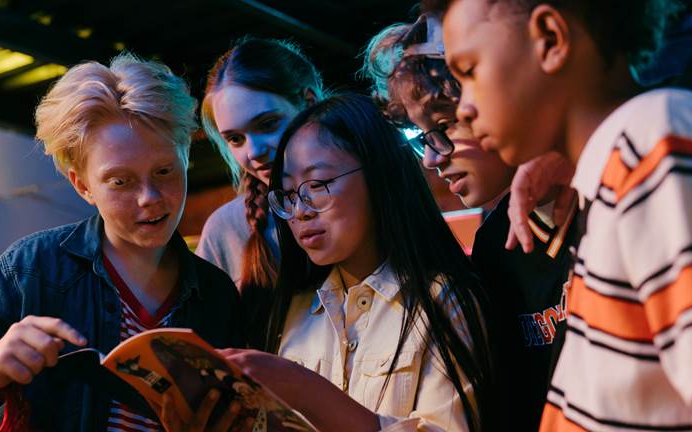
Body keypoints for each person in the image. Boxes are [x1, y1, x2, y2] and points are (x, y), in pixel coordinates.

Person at [0, 53, 243, 432]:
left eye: (164, 171)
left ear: (186, 156)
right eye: (121, 181)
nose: (149, 197)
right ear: (82, 185)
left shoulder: (217, 295)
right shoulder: (30, 269)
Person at [428, 0, 692, 429]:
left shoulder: (650, 142)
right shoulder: (614, 175)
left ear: (551, 39)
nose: (464, 109)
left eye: (470, 72)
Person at [223, 93, 493, 431]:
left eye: (318, 184)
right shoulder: (293, 310)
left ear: (379, 175)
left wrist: (306, 390)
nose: (301, 211)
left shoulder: (442, 300)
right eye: (289, 194)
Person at [363, 17, 577, 430]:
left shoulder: (610, 194)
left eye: (443, 127)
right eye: (422, 138)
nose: (432, 158)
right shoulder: (494, 245)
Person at [197, 37, 326, 348]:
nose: (254, 151)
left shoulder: (369, 192)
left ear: (309, 103)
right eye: (235, 139)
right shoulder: (226, 228)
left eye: (267, 124)